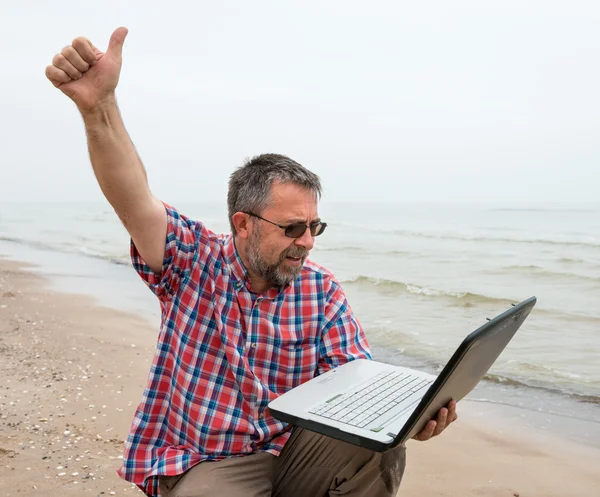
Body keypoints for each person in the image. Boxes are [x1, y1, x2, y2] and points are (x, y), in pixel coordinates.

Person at [45, 27, 457, 497]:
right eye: (292, 228)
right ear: (243, 224)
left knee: (379, 447)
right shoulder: (193, 261)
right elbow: (134, 198)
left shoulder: (320, 291)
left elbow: (354, 380)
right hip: (207, 462)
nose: (307, 242)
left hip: (290, 456)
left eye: (314, 227)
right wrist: (98, 108)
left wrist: (409, 417)